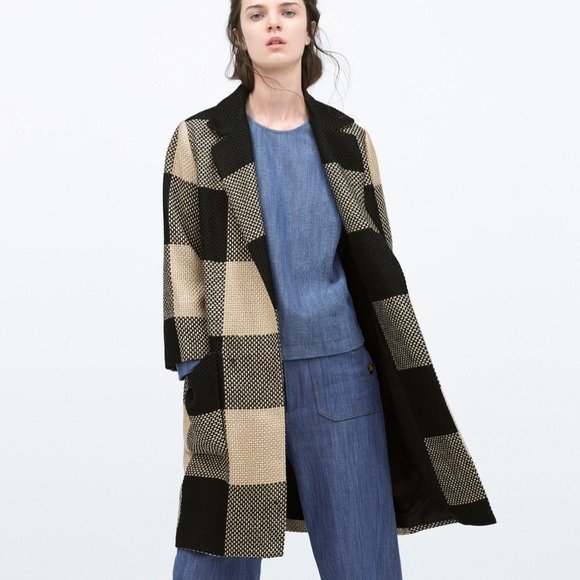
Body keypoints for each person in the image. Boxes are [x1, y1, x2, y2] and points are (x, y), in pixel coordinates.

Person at [162, 1, 496, 578]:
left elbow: (376, 258)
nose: (273, 23)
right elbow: (181, 258)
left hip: (341, 377)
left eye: (288, 11)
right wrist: (196, 369)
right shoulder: (200, 138)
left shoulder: (348, 140)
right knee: (214, 559)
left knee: (361, 561)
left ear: (309, 28)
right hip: (236, 370)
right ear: (238, 33)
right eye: (256, 13)